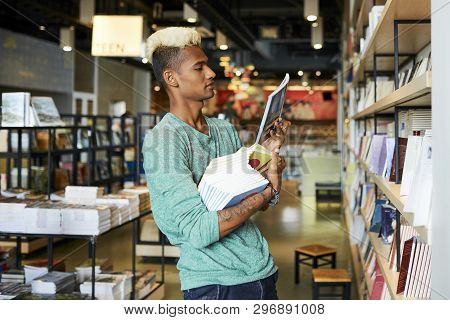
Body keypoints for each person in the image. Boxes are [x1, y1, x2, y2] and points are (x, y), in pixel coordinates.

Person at [142, 27, 290, 300]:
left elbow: (256, 198)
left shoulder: (223, 130)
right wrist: (267, 192)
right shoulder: (163, 141)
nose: (211, 73)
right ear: (171, 78)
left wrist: (269, 152)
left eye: (207, 65)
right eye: (199, 68)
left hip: (262, 270)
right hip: (216, 285)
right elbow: (200, 230)